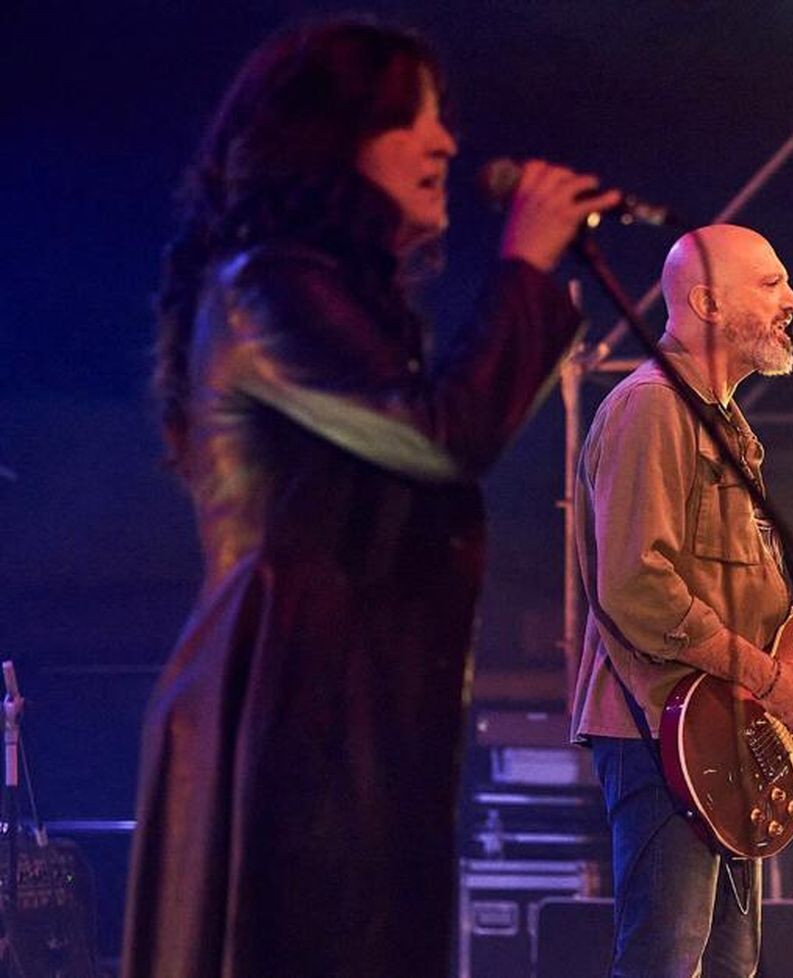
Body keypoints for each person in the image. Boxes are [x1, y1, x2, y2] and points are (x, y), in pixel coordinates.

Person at [124, 19, 616, 978]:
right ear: (334, 138)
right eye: (416, 121)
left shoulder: (335, 295)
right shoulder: (265, 287)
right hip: (277, 709)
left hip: (341, 705)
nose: (446, 144)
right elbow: (441, 434)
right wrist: (523, 270)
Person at [569, 223, 793, 978]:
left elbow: (751, 611)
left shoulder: (730, 425)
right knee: (665, 961)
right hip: (663, 727)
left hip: (724, 736)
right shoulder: (653, 408)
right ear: (704, 302)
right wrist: (766, 678)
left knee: (728, 966)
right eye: (770, 284)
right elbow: (637, 585)